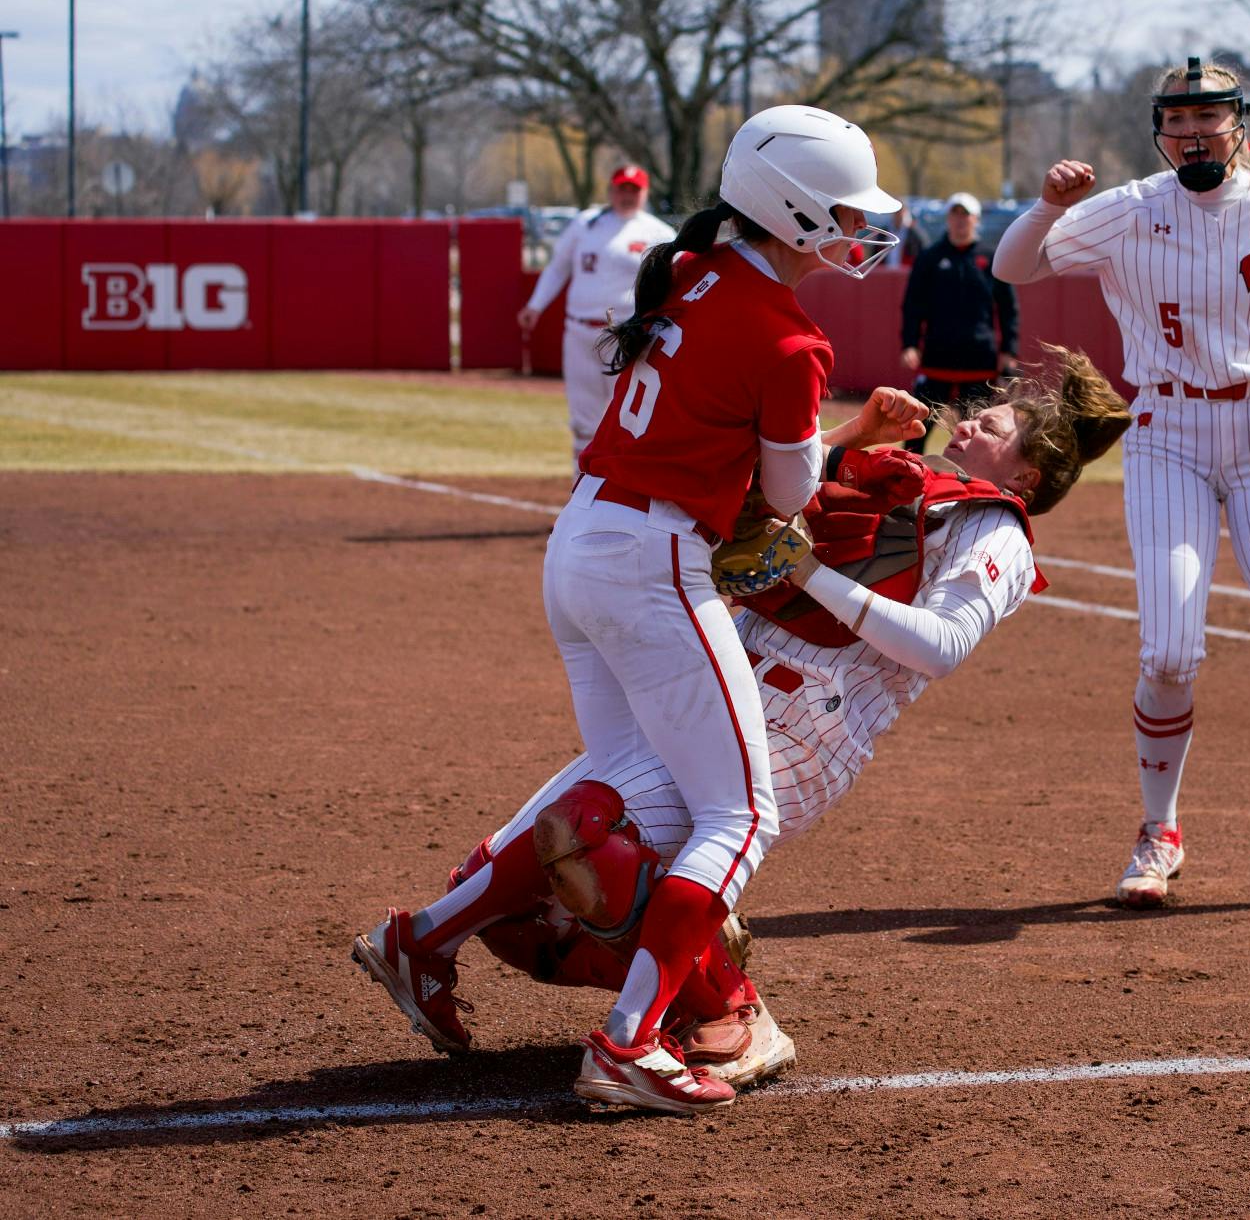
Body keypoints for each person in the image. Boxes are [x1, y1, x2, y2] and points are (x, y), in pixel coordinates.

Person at [351, 353, 1130, 1098]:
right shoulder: (905, 477)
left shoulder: (998, 534)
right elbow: (766, 487)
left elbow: (939, 646)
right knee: (523, 886)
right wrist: (852, 437)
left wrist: (807, 574)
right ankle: (424, 940)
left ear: (1026, 474)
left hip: (807, 725)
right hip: (724, 669)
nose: (966, 425)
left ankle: (721, 1011)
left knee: (593, 839)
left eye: (991, 428)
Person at [354, 104, 907, 1117]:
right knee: (740, 815)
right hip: (653, 560)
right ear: (785, 207)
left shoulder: (691, 268)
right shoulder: (791, 334)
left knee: (615, 799)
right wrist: (848, 437)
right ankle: (628, 1042)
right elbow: (786, 502)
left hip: (583, 539)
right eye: (836, 211)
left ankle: (420, 937)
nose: (854, 229)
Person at [992, 57, 1250, 914]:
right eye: (1180, 122)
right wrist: (1048, 204)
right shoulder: (1130, 210)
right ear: (1160, 131)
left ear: (1239, 123)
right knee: (1169, 651)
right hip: (1167, 429)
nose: (1196, 134)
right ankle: (1159, 832)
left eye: (1211, 119)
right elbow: (1013, 265)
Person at [517, 166, 678, 462]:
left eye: (633, 190)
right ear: (610, 190)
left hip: (630, 335)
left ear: (645, 193)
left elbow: (674, 284)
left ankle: (621, 492)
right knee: (583, 420)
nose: (626, 196)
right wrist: (536, 305)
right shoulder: (585, 225)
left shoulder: (659, 233)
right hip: (580, 332)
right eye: (621, 188)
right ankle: (580, 485)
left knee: (629, 419)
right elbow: (557, 268)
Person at [899, 191, 1020, 447]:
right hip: (936, 357)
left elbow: (1008, 307)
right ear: (948, 219)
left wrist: (1008, 349)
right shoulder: (930, 258)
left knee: (977, 435)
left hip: (979, 359)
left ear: (976, 219)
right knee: (916, 429)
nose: (960, 220)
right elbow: (913, 305)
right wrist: (909, 343)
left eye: (965, 215)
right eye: (955, 214)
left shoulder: (991, 258)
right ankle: (905, 479)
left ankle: (977, 486)